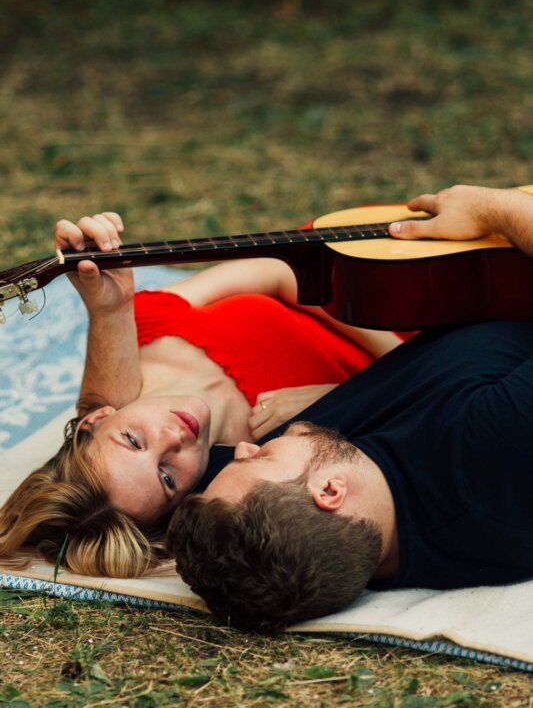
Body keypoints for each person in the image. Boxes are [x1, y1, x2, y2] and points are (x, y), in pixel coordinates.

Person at [167, 183, 533, 632]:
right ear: (329, 492)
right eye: (262, 456)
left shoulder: (303, 520)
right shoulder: (499, 450)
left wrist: (109, 309)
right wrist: (497, 208)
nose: (242, 447)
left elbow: (124, 464)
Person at [0, 212, 400, 578]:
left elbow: (277, 270)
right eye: (167, 477)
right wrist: (372, 377)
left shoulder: (144, 326)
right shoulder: (275, 449)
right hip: (412, 322)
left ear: (98, 418)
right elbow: (421, 400)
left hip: (342, 259)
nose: (174, 440)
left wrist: (393, 356)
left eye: (133, 440)